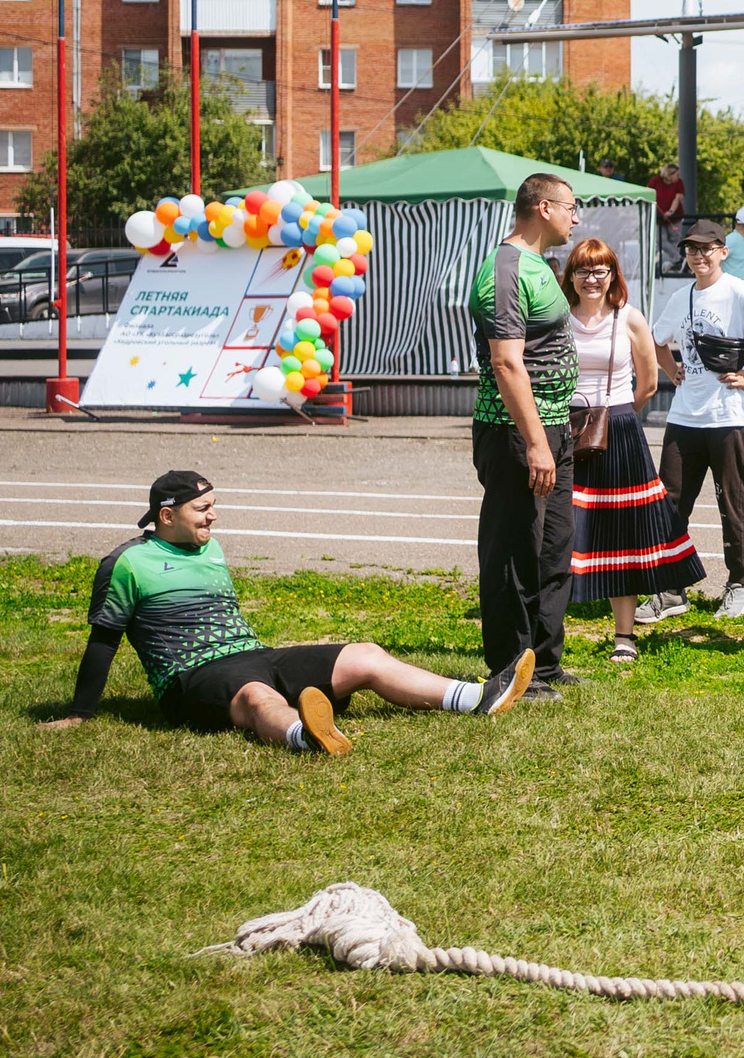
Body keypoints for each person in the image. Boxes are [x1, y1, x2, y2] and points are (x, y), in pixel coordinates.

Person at [46, 472, 534, 752]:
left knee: (363, 655)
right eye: (202, 509)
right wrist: (80, 714)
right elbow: (103, 641)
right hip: (191, 677)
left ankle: (476, 697)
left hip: (256, 653)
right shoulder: (126, 563)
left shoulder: (210, 550)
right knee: (256, 696)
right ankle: (308, 736)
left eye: (213, 506)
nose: (212, 516)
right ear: (167, 516)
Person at [469, 171, 582, 700]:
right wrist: (535, 441)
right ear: (542, 208)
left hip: (555, 428)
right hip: (517, 435)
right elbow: (506, 363)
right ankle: (511, 670)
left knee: (555, 548)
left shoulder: (540, 265)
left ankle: (545, 663)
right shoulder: (506, 270)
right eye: (570, 207)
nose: (575, 217)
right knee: (515, 551)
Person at [562, 238, 703, 663]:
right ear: (570, 276)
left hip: (619, 430)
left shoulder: (631, 318)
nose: (592, 279)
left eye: (600, 270)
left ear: (613, 275)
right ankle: (547, 630)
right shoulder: (557, 319)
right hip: (566, 428)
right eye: (584, 270)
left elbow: (647, 384)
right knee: (559, 530)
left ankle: (625, 636)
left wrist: (617, 416)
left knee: (622, 533)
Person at [649, 218, 744, 621]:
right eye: (691, 249)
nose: (698, 256)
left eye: (706, 249)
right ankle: (671, 588)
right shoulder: (680, 297)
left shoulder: (738, 292)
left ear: (723, 252)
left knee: (733, 502)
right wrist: (670, 370)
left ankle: (740, 584)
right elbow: (657, 341)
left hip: (730, 415)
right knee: (670, 503)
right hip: (685, 415)